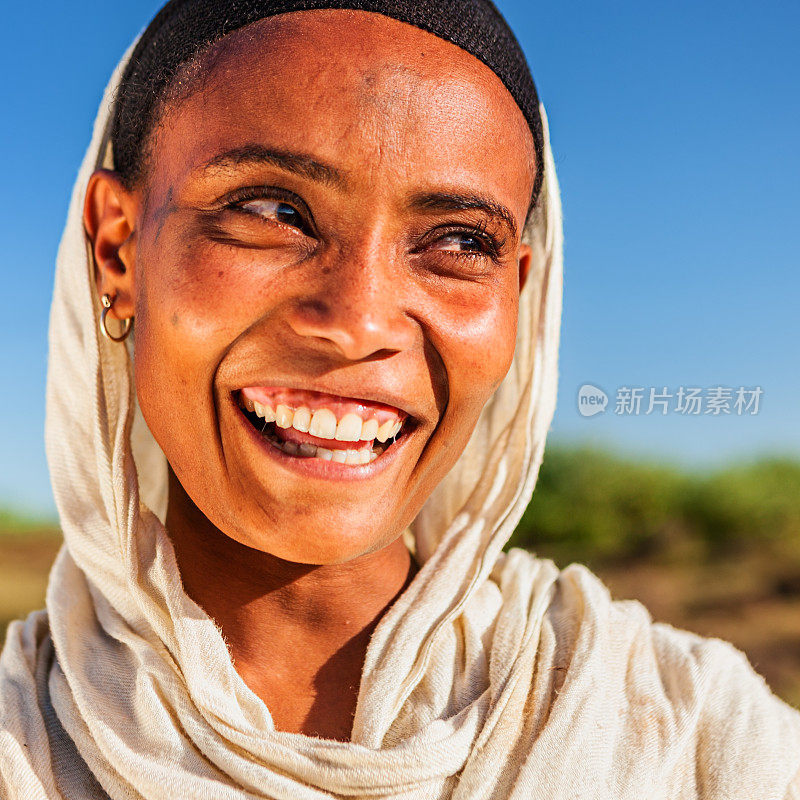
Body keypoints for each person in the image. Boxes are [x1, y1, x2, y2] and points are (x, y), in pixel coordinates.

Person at [1, 1, 799, 797]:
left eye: (458, 242)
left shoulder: (690, 739)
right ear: (118, 248)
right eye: (273, 212)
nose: (357, 323)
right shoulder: (24, 746)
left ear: (517, 297)